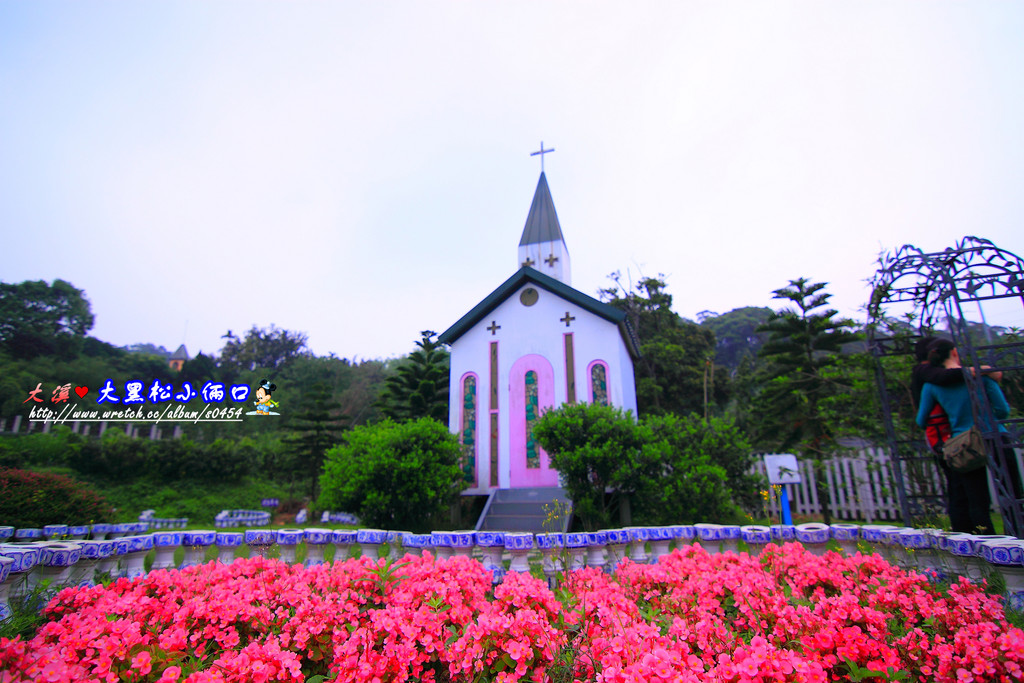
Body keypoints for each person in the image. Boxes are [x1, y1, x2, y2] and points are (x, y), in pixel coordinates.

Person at [916, 339, 1012, 534]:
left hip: (964, 444)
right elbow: (1003, 410)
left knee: (977, 502)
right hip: (995, 435)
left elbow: (921, 419)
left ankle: (987, 545)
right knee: (1013, 494)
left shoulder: (932, 385)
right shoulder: (982, 377)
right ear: (954, 352)